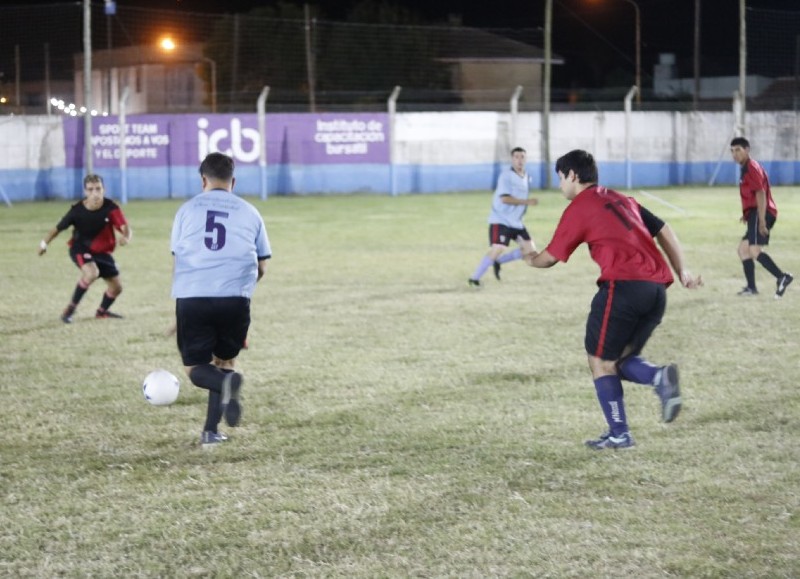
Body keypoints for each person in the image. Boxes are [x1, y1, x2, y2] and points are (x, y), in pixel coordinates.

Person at [525, 150, 703, 450]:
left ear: (572, 175)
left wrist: (529, 257)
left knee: (599, 361)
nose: (560, 186)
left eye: (560, 178)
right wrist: (682, 270)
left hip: (623, 288)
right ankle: (628, 421)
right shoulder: (624, 200)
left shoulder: (580, 207)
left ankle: (641, 402)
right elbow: (664, 229)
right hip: (656, 291)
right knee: (619, 361)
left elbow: (549, 258)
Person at [171, 152, 271, 447]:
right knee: (225, 360)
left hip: (193, 295)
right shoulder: (251, 212)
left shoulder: (186, 211)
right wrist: (240, 293)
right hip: (235, 297)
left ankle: (224, 392)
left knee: (195, 368)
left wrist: (180, 305)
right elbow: (262, 265)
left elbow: (178, 260)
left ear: (203, 180)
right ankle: (210, 432)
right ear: (233, 181)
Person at [38, 174, 131, 323]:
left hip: (103, 253)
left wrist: (126, 237)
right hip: (80, 249)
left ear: (104, 189)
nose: (95, 193)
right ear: (85, 192)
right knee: (92, 273)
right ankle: (69, 310)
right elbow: (57, 229)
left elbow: (125, 227)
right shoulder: (77, 211)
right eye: (90, 189)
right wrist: (44, 244)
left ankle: (102, 312)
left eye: (98, 189)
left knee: (117, 287)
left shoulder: (111, 207)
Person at [730, 137, 793, 298]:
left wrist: (762, 221)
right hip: (755, 214)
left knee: (754, 250)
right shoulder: (745, 168)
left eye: (738, 150)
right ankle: (751, 288)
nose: (735, 154)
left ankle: (782, 277)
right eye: (732, 151)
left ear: (747, 150)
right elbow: (751, 194)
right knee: (743, 250)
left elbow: (760, 193)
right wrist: (746, 215)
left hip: (761, 213)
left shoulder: (751, 167)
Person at [468, 147, 538, 286]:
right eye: (516, 157)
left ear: (526, 159)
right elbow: (504, 199)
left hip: (516, 222)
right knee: (498, 248)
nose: (519, 160)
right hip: (501, 220)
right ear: (512, 159)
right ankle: (474, 279)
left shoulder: (526, 176)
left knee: (530, 252)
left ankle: (498, 262)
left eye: (522, 157)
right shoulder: (506, 176)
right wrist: (527, 202)